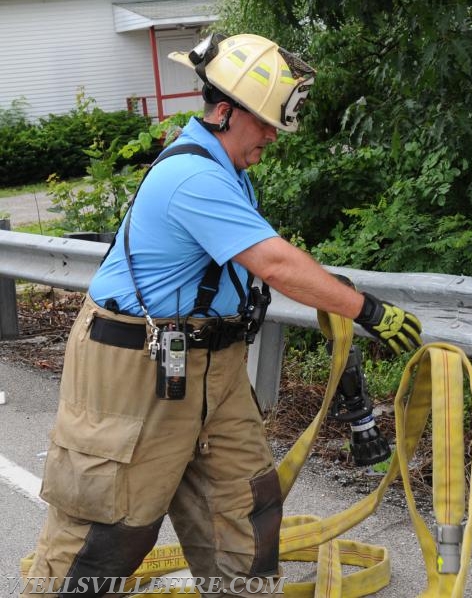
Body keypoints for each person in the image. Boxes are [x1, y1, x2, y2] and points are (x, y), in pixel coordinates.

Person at [21, 33, 422, 598]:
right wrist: (366, 310)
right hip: (132, 364)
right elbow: (276, 263)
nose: (271, 137)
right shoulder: (195, 177)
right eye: (264, 124)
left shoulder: (229, 171)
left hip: (212, 362)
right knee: (107, 528)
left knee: (244, 507)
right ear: (226, 112)